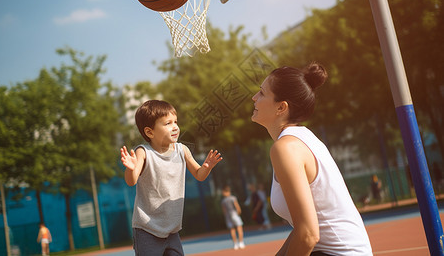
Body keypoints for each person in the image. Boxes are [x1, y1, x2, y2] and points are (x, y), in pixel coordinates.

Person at [251, 63, 372, 256]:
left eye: (262, 93)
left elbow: (308, 235)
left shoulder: (286, 149)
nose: (254, 98)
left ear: (281, 107)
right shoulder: (300, 139)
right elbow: (302, 229)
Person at [120, 100, 223, 256]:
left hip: (172, 230)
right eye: (167, 123)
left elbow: (199, 175)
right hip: (147, 229)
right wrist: (130, 169)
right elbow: (131, 181)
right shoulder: (144, 152)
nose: (175, 127)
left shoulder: (182, 150)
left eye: (175, 122)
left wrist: (206, 168)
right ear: (150, 132)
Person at [221, 185, 245, 250]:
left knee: (232, 229)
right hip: (234, 214)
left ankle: (235, 244)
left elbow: (224, 211)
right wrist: (239, 212)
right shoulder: (233, 198)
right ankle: (241, 242)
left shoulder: (223, 201)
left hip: (228, 216)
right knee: (239, 227)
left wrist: (226, 216)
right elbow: (237, 207)